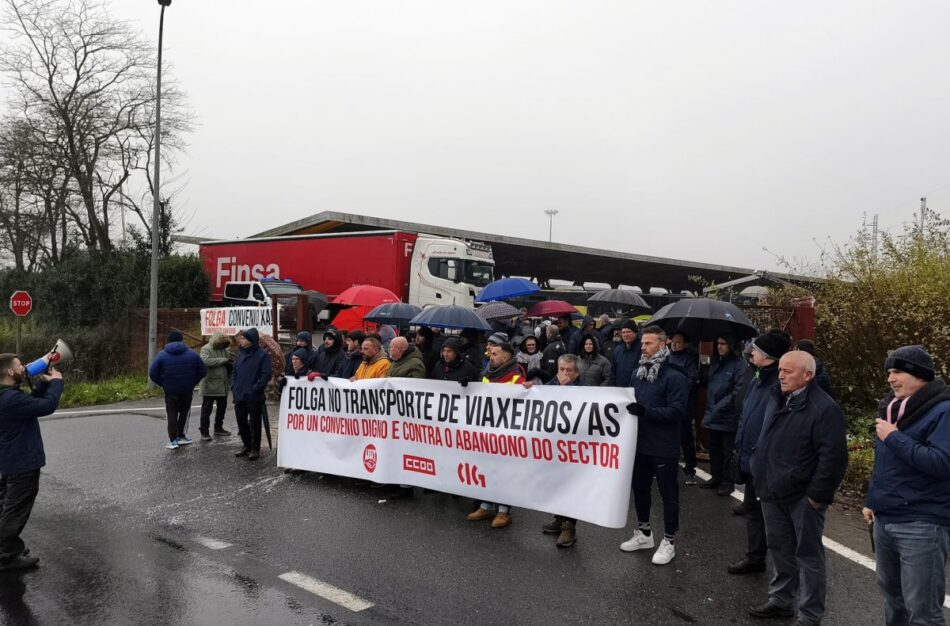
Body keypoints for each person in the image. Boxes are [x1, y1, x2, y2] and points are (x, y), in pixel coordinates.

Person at [748, 351, 847, 625]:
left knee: (808, 556)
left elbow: (834, 458)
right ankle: (781, 600)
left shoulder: (824, 409)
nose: (781, 375)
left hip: (802, 496)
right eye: (780, 369)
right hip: (771, 489)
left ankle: (809, 615)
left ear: (808, 375)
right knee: (779, 549)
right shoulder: (777, 397)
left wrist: (816, 497)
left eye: (788, 371)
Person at [863, 346, 950, 626]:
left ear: (920, 376)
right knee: (894, 601)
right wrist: (872, 500)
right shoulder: (892, 409)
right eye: (889, 372)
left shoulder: (944, 410)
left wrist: (895, 438)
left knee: (922, 612)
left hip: (922, 524)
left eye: (898, 371)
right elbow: (886, 463)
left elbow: (941, 463)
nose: (890, 379)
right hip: (885, 516)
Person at [620, 325, 688, 566]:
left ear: (663, 344)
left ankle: (669, 540)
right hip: (639, 443)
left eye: (648, 343)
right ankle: (644, 533)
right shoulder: (638, 372)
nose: (643, 347)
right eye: (642, 343)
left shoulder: (675, 376)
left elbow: (678, 411)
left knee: (668, 494)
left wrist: (646, 411)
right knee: (640, 489)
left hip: (663, 445)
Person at [728, 329, 791, 576]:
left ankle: (784, 573)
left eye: (756, 349)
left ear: (768, 356)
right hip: (752, 457)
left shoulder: (779, 383)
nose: (751, 352)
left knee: (774, 518)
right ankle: (755, 557)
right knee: (754, 513)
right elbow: (747, 414)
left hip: (768, 462)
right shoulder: (758, 378)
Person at [0, 353, 64, 571]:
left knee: (7, 505)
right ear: (10, 372)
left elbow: (31, 404)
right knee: (15, 509)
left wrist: (43, 385)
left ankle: (7, 547)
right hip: (21, 462)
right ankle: (6, 555)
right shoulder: (10, 399)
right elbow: (46, 406)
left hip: (11, 460)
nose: (24, 368)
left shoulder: (8, 396)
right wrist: (56, 383)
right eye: (19, 366)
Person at [467, 343, 525, 528]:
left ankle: (503, 511)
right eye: (491, 353)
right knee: (486, 469)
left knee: (504, 472)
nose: (490, 356)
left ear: (505, 358)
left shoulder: (517, 378)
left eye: (495, 354)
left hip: (506, 434)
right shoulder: (488, 375)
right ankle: (486, 505)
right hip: (486, 431)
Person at [532, 353, 584, 548]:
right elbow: (541, 396)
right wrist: (532, 389)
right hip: (554, 444)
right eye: (561, 369)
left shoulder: (583, 389)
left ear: (577, 372)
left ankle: (570, 526)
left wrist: (566, 387)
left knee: (571, 486)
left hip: (572, 447)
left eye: (569, 370)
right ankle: (559, 518)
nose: (564, 373)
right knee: (556, 483)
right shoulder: (554, 383)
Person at [700, 335, 745, 495]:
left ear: (731, 345)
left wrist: (719, 407)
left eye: (724, 344)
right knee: (714, 448)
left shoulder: (739, 365)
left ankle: (728, 482)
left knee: (728, 451)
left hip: (727, 415)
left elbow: (737, 391)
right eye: (718, 343)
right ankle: (716, 476)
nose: (720, 347)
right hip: (713, 413)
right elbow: (709, 384)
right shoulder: (715, 361)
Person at [149, 330, 207, 449]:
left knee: (172, 413)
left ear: (168, 340)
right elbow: (203, 370)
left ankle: (172, 440)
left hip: (170, 390)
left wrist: (163, 384)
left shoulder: (162, 355)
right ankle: (181, 436)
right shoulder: (192, 354)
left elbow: (153, 373)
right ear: (182, 340)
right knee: (185, 412)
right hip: (187, 389)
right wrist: (192, 382)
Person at [231, 328, 273, 461]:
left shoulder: (263, 355)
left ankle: (255, 448)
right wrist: (234, 385)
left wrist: (256, 387)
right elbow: (234, 372)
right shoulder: (240, 354)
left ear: (252, 340)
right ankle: (246, 445)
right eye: (241, 339)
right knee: (241, 422)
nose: (241, 341)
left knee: (255, 423)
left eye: (244, 339)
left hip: (254, 396)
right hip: (239, 394)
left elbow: (266, 374)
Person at [668, 331, 700, 485]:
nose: (674, 344)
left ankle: (690, 469)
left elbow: (692, 381)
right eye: (673, 341)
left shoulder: (690, 360)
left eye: (678, 342)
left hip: (684, 405)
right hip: (669, 403)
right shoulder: (668, 357)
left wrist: (675, 387)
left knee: (685, 438)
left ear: (686, 344)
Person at [198, 333, 233, 441]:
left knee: (221, 409)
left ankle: (218, 428)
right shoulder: (206, 349)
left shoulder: (224, 350)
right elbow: (205, 361)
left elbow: (227, 364)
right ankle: (204, 431)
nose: (223, 346)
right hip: (209, 384)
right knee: (206, 410)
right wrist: (223, 360)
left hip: (222, 384)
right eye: (221, 344)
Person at [609, 320, 641, 387]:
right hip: (619, 390)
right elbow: (612, 371)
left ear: (635, 333)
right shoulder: (618, 350)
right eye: (623, 332)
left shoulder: (642, 349)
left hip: (635, 390)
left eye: (628, 332)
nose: (625, 335)